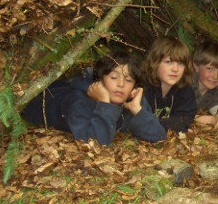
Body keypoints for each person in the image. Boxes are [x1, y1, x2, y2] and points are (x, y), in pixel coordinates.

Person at [22, 50, 166, 145]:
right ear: (100, 80)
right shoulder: (79, 101)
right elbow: (97, 143)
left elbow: (158, 137)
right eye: (114, 77)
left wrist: (137, 110)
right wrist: (104, 103)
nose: (121, 84)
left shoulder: (128, 101)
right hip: (38, 99)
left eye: (128, 80)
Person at [143, 36, 197, 133]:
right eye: (168, 62)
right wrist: (174, 125)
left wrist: (178, 124)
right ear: (153, 63)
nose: (175, 69)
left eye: (180, 64)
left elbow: (185, 118)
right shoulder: (143, 87)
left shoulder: (184, 90)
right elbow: (140, 122)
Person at [192, 41, 218, 126]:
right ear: (196, 67)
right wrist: (210, 119)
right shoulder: (186, 83)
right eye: (210, 69)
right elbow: (176, 115)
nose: (215, 76)